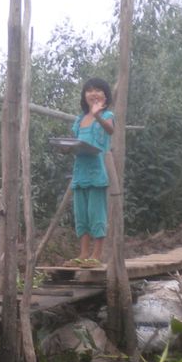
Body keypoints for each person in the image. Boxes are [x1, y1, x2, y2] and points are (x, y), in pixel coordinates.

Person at [69, 77, 115, 267]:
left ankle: (96, 255)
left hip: (96, 173)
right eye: (89, 90)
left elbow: (110, 130)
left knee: (96, 214)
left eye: (98, 90)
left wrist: (97, 115)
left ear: (105, 96)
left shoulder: (107, 115)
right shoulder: (80, 119)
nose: (93, 93)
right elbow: (75, 143)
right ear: (84, 95)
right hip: (80, 173)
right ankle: (83, 254)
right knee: (81, 215)